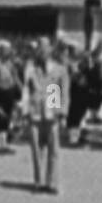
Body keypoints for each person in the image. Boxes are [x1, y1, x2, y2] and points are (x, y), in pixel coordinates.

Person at [22, 37, 69, 193]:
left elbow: (63, 93)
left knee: (54, 149)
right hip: (34, 112)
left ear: (50, 51)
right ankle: (39, 181)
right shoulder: (30, 69)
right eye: (39, 49)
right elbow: (26, 91)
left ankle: (52, 182)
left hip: (52, 111)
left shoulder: (59, 69)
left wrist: (62, 114)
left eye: (45, 49)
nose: (42, 52)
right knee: (36, 149)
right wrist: (25, 112)